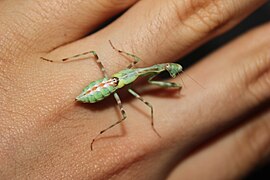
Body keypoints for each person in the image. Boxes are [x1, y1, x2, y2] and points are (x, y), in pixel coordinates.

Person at [0, 0, 269, 179]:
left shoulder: (141, 67)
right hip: (105, 87)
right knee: (135, 108)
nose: (172, 73)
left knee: (103, 64)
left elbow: (142, 68)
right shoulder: (144, 71)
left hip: (108, 84)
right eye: (171, 69)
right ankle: (59, 64)